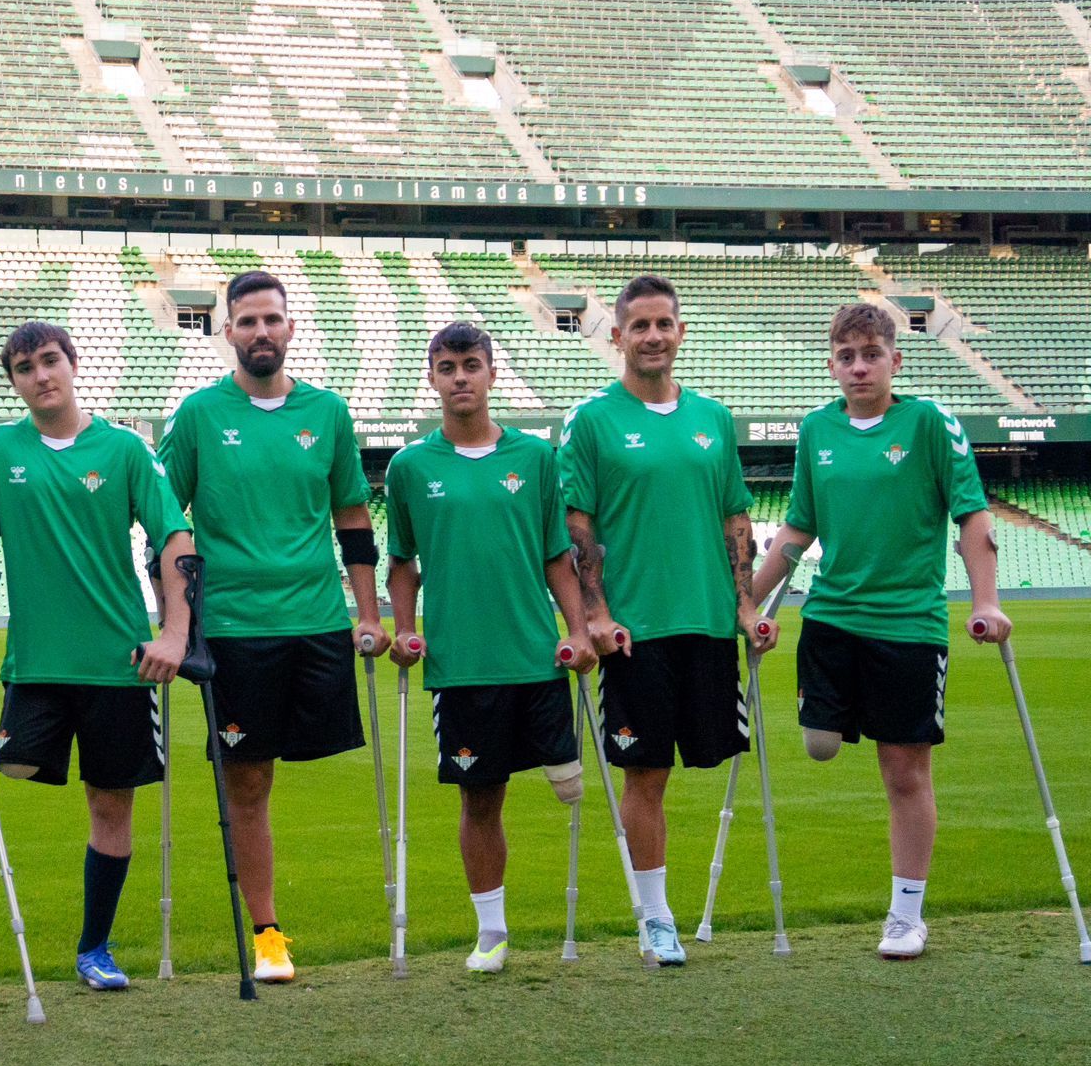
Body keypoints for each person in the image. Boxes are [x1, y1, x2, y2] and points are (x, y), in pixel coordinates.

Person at [751, 302, 1007, 960]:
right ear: (832, 363)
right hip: (832, 618)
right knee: (819, 745)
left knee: (903, 773)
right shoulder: (816, 430)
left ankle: (905, 915)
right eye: (846, 356)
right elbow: (797, 532)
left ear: (897, 359)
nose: (859, 367)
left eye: (871, 354)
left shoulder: (929, 425)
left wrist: (987, 602)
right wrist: (745, 604)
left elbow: (974, 519)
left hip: (908, 626)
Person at [157, 270, 385, 983]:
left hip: (317, 621)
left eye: (272, 320)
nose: (260, 332)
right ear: (227, 332)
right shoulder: (198, 415)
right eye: (247, 321)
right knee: (248, 784)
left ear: (290, 329)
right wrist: (177, 621)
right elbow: (168, 520)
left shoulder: (328, 412)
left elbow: (351, 516)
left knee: (298, 774)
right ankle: (266, 930)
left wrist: (369, 614)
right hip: (234, 627)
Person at [0, 321, 194, 989]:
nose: (40, 375)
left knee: (111, 805)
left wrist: (175, 634)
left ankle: (95, 948)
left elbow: (174, 538)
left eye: (50, 360)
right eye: (25, 367)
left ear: (73, 362)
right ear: (13, 381)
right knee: (18, 765)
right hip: (36, 664)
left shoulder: (124, 449)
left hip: (118, 665)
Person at [560, 273, 772, 966]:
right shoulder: (592, 421)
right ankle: (656, 917)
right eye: (639, 325)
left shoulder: (713, 418)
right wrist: (596, 613)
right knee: (644, 774)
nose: (653, 336)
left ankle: (664, 911)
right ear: (617, 336)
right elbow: (577, 526)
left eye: (664, 324)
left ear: (682, 334)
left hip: (707, 625)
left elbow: (734, 518)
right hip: (635, 631)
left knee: (699, 765)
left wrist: (746, 604)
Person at [385, 322, 595, 973]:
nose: (460, 377)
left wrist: (580, 629)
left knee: (569, 786)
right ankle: (492, 933)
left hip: (535, 658)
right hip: (461, 666)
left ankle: (643, 918)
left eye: (470, 364)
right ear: (432, 379)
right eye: (446, 367)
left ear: (491, 373)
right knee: (480, 799)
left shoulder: (534, 459)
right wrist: (404, 629)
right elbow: (402, 565)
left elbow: (557, 559)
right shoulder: (410, 467)